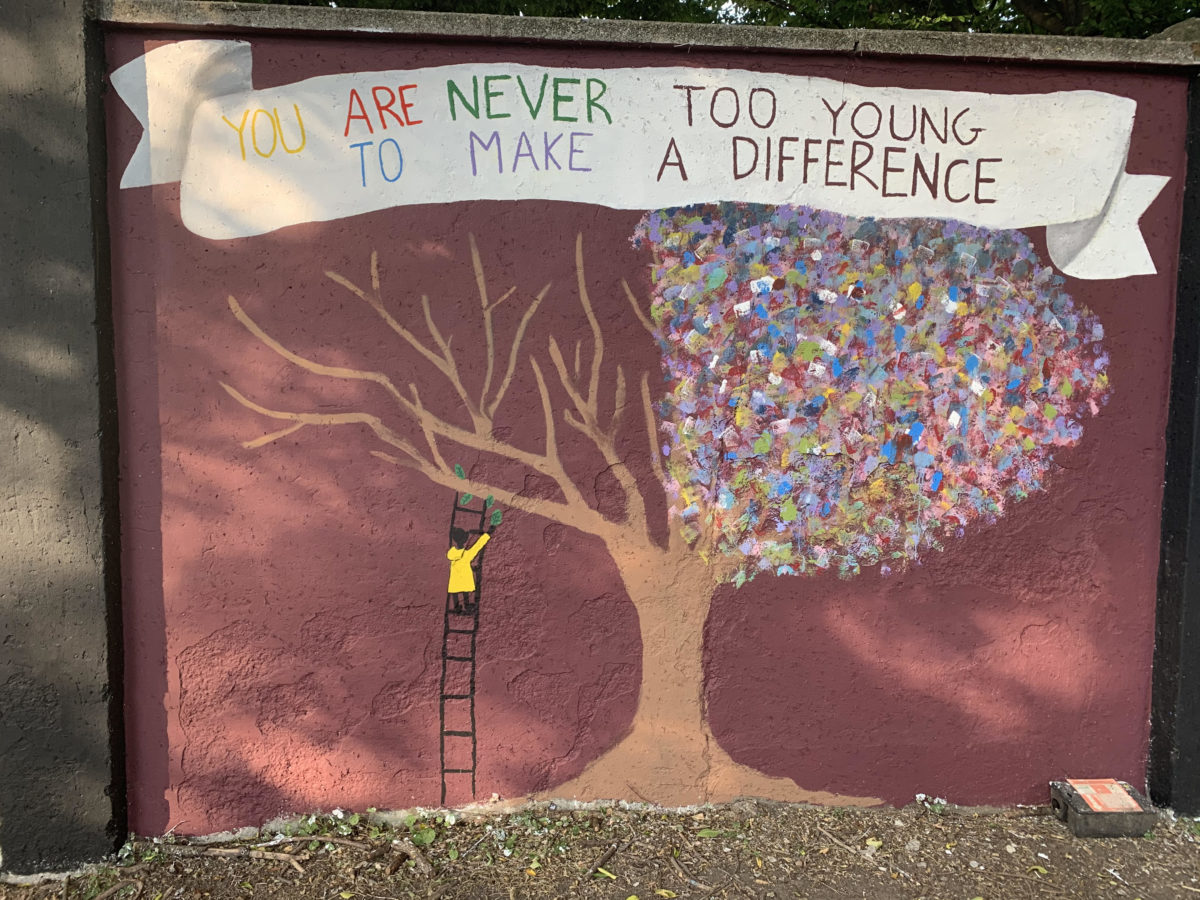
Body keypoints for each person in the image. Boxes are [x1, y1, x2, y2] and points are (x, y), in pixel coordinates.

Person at [446, 526, 493, 612]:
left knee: (455, 592)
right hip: (464, 578)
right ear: (464, 540)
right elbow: (478, 546)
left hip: (455, 579)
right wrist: (487, 534)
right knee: (465, 592)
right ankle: (467, 605)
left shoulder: (451, 553)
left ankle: (456, 607)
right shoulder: (466, 555)